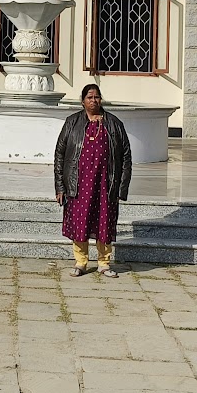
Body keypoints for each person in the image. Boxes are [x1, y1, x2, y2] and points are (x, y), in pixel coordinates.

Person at [53, 83, 133, 277]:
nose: (93, 100)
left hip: (105, 184)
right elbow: (60, 155)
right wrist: (60, 186)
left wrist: (121, 188)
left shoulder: (114, 123)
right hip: (78, 184)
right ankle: (80, 262)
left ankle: (104, 263)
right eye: (89, 97)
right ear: (83, 101)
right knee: (80, 223)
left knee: (104, 223)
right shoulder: (72, 122)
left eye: (97, 97)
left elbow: (126, 157)